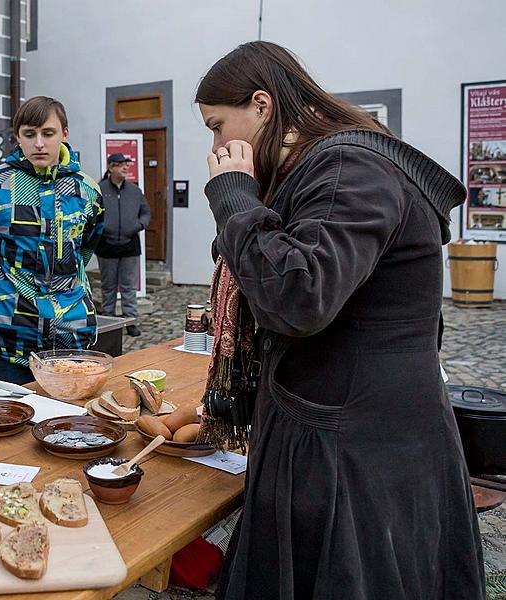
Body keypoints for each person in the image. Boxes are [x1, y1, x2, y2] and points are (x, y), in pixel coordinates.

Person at [195, 42, 485, 599]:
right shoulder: (326, 169)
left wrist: (234, 198)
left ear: (261, 105)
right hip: (344, 424)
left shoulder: (346, 166)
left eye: (217, 125)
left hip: (355, 446)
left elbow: (299, 296)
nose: (215, 144)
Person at [0, 96, 104, 384]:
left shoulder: (86, 191)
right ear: (18, 137)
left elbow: (85, 249)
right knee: (12, 421)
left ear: (64, 134)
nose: (39, 143)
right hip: (9, 334)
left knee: (66, 422)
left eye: (48, 134)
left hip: (69, 333)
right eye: (29, 134)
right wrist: (1, 285)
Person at [95, 153, 150, 337]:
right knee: (108, 286)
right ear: (111, 168)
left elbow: (145, 212)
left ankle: (132, 322)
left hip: (130, 245)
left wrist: (139, 225)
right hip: (106, 245)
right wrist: (101, 229)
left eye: (127, 165)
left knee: (129, 287)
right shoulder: (100, 189)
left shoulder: (135, 190)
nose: (125, 168)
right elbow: (92, 213)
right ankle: (109, 323)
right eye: (120, 165)